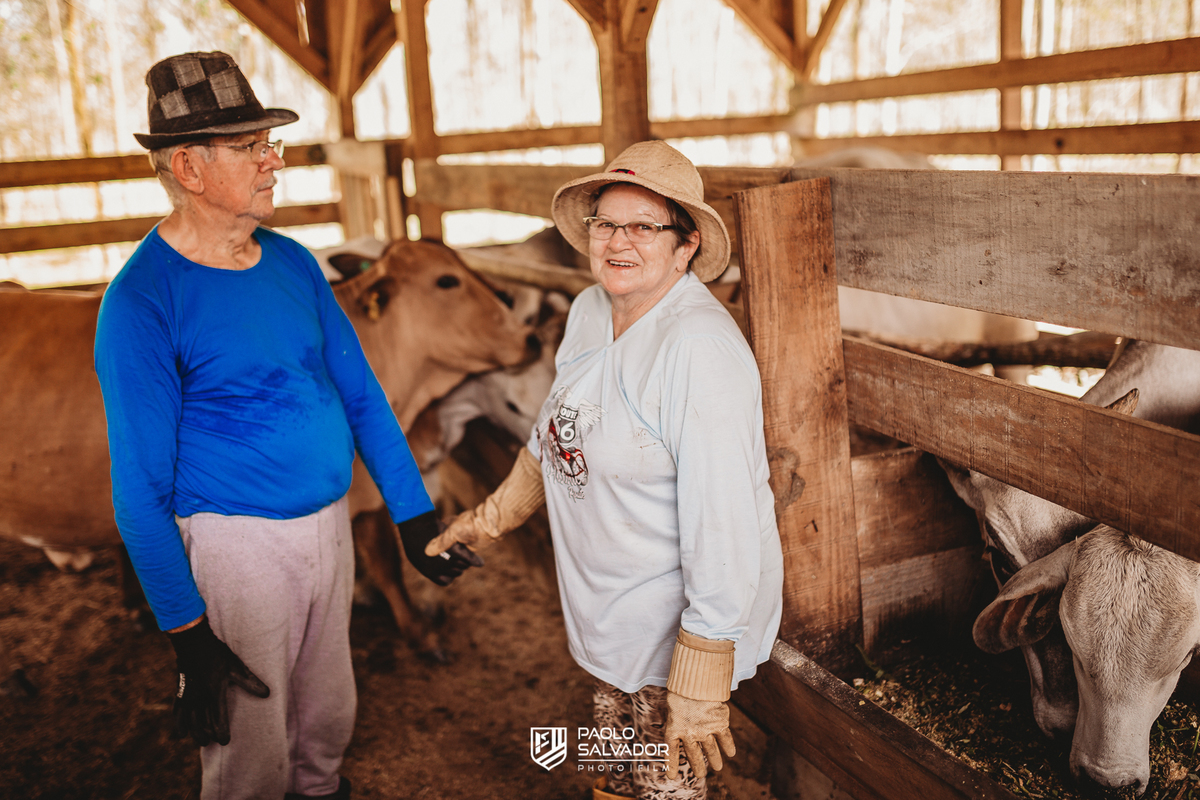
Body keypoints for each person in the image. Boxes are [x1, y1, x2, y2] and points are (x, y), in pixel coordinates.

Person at [94, 51, 478, 800]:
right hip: (238, 546)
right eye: (251, 147)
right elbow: (137, 493)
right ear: (189, 167)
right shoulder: (141, 303)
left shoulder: (292, 262)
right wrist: (187, 633)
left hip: (327, 526)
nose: (276, 162)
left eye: (270, 144)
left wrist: (411, 516)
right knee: (249, 749)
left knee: (326, 714)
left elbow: (361, 394)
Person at [425, 140, 784, 800]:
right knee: (611, 766)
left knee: (664, 783)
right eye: (606, 223)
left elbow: (724, 523)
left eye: (644, 226)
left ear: (687, 246)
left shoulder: (698, 349)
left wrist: (700, 684)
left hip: (670, 632)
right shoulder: (592, 311)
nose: (619, 241)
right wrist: (490, 518)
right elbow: (556, 433)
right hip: (609, 612)